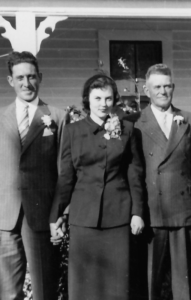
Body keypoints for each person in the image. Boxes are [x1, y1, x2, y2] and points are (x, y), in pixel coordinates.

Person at [49, 74, 145, 300]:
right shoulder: (73, 132)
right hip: (84, 219)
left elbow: (135, 174)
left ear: (115, 100)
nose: (104, 104)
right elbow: (66, 178)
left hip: (118, 217)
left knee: (117, 287)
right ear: (87, 100)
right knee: (84, 287)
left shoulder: (128, 130)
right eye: (98, 98)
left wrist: (137, 212)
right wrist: (56, 215)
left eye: (108, 98)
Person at [0, 51, 66, 300]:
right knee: (7, 293)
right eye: (19, 78)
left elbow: (63, 171)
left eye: (31, 77)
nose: (26, 84)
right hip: (5, 218)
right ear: (10, 81)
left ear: (40, 77)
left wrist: (59, 214)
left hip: (42, 216)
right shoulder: (0, 118)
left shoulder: (57, 117)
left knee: (44, 291)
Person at [134, 64, 191, 300]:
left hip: (182, 209)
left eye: (167, 86)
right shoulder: (135, 122)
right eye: (157, 87)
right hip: (152, 212)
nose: (163, 91)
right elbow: (134, 170)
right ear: (146, 90)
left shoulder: (189, 119)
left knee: (183, 284)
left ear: (173, 87)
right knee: (150, 282)